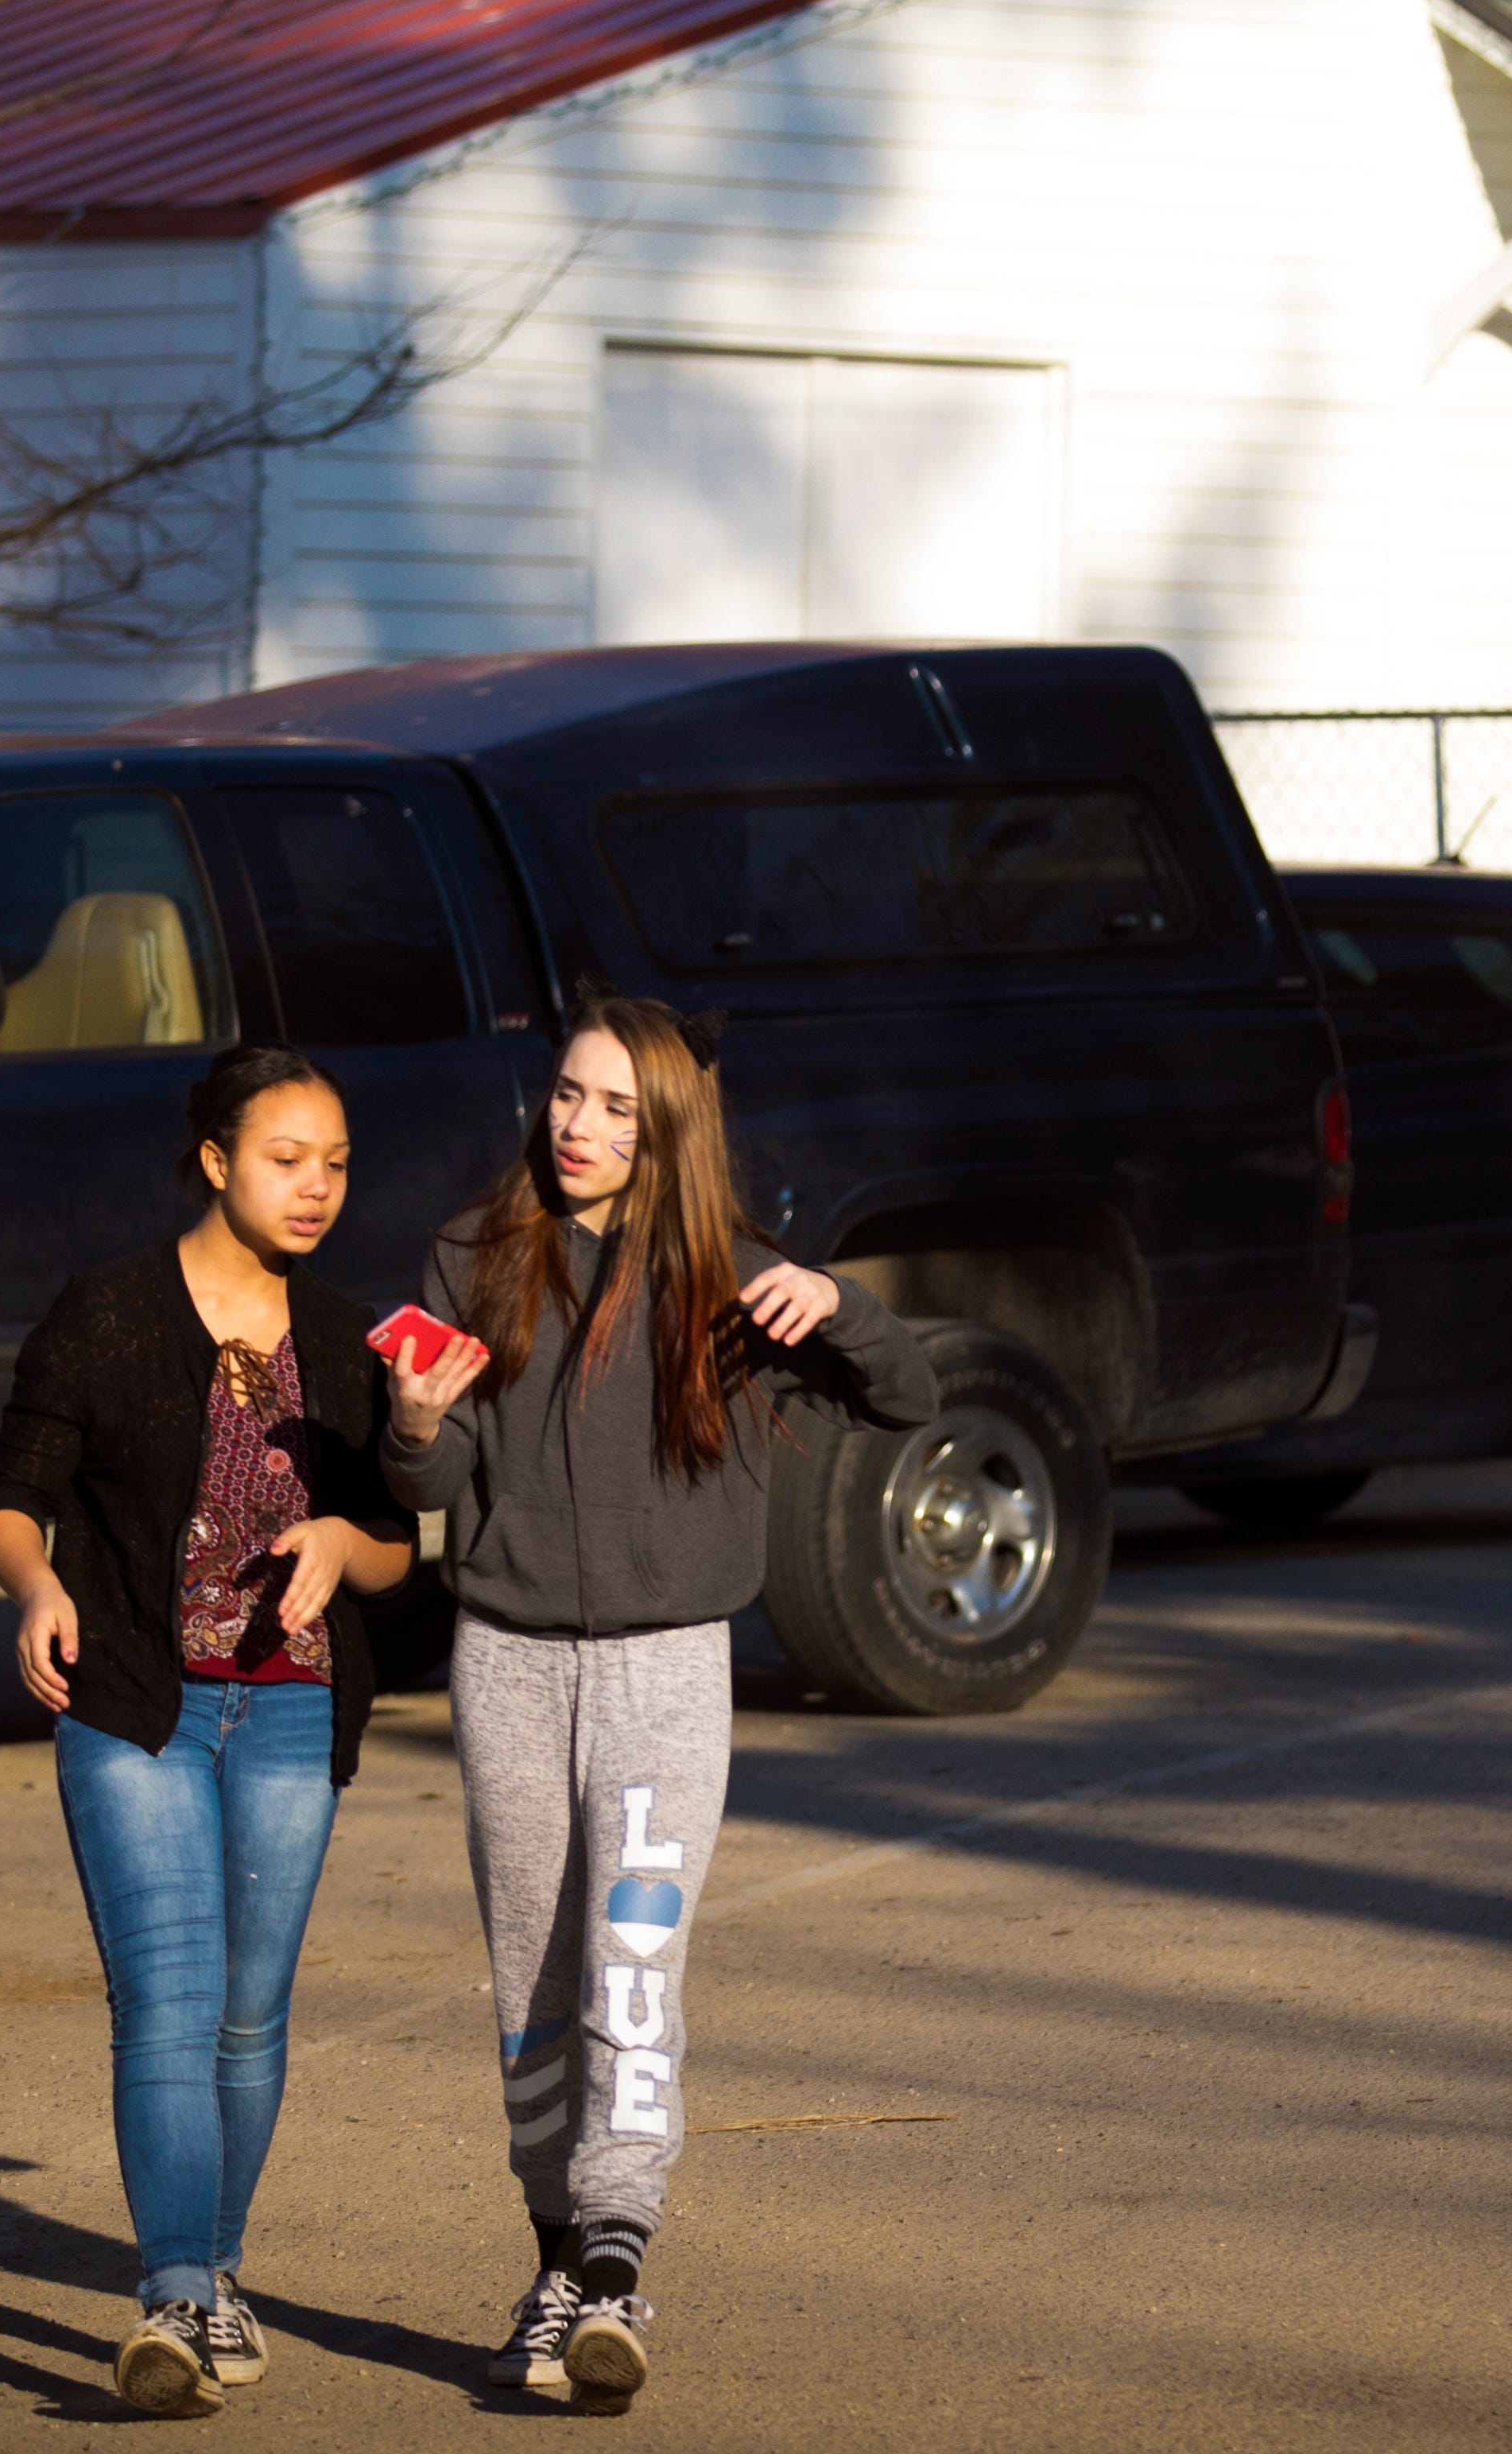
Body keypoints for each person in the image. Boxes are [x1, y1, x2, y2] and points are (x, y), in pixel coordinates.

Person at [379, 990, 940, 2412]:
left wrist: (846, 1305)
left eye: (619, 1108)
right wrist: (416, 1423)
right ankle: (559, 2257)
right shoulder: (472, 1257)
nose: (580, 1127)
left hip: (666, 1672)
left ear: (671, 1127)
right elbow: (428, 1492)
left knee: (632, 1963)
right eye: (569, 1095)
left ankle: (618, 2264)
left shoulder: (734, 1279)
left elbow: (908, 1397)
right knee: (534, 1984)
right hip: (505, 1665)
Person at [0, 1046, 416, 2418]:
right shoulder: (104, 1316)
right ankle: (172, 2295)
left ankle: (219, 2272)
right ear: (217, 1160)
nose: (318, 1187)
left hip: (290, 1712)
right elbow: (7, 1497)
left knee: (249, 2015)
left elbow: (399, 1546)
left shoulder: (347, 1340)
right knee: (165, 1999)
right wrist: (37, 1583)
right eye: (288, 1158)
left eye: (337, 1162)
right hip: (133, 1709)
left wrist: (345, 1537)